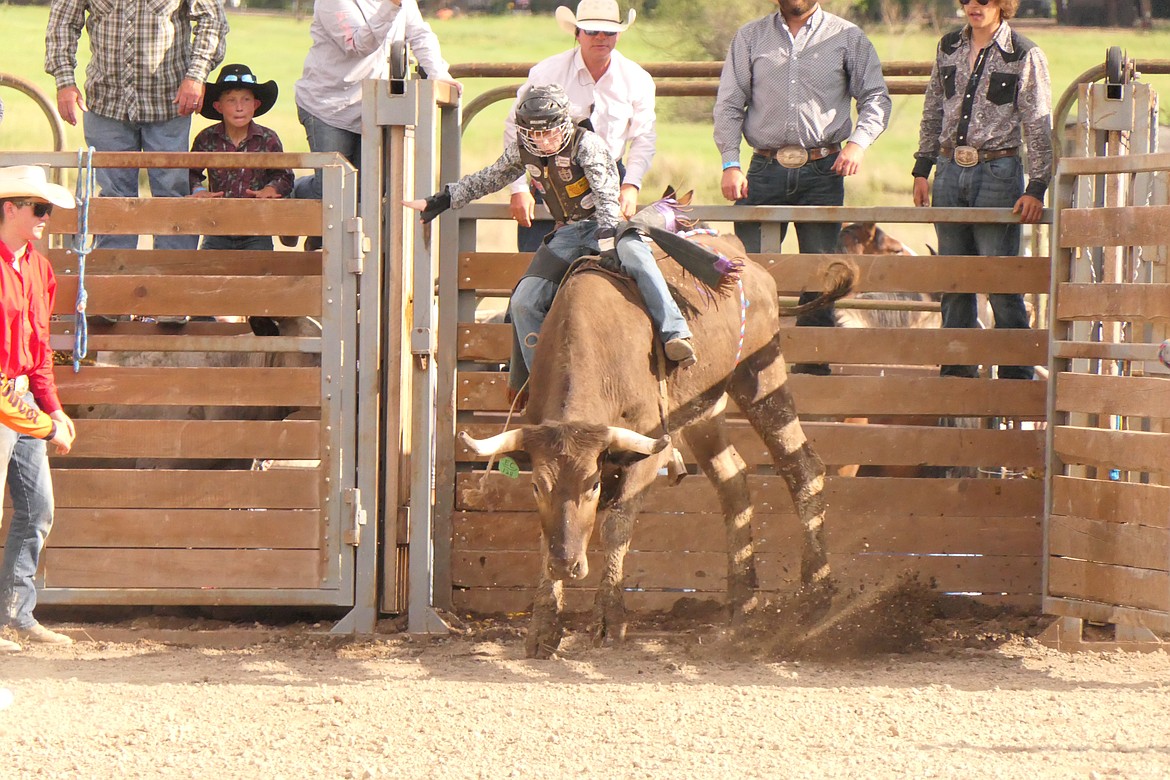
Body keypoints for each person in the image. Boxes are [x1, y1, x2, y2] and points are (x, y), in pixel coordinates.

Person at [405, 84, 695, 371]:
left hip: (607, 227)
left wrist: (608, 241)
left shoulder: (587, 144)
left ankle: (675, 332)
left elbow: (607, 196)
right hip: (567, 233)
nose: (543, 141)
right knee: (523, 301)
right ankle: (539, 378)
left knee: (638, 259)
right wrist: (443, 199)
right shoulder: (522, 152)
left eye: (549, 132)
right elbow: (489, 178)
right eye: (534, 134)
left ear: (564, 123)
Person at [714, 0, 891, 375]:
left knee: (820, 270)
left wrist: (858, 142)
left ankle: (813, 365)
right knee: (755, 269)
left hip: (823, 167)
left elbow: (875, 96)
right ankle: (753, 365)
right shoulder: (750, 37)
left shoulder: (847, 38)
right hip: (763, 167)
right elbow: (730, 103)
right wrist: (731, 162)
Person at [913, 0, 1051, 381]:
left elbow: (1037, 125)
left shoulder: (1023, 54)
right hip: (948, 166)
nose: (974, 6)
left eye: (985, 0)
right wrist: (922, 168)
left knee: (1001, 282)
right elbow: (933, 109)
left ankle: (1015, 381)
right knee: (954, 279)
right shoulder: (948, 47)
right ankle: (958, 378)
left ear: (1003, 5)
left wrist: (1036, 186)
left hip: (998, 169)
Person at [45, 0, 229, 252]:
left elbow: (213, 20)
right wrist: (64, 81)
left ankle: (172, 278)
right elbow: (62, 22)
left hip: (169, 103)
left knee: (173, 194)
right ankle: (113, 278)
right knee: (113, 197)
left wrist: (196, 76)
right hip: (107, 103)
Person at [288, 0, 461, 249]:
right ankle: (297, 197)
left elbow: (420, 34)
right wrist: (391, 6)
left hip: (375, 109)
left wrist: (438, 73)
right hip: (328, 107)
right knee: (333, 190)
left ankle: (336, 248)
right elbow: (358, 44)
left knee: (370, 189)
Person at [0, 166, 78, 651]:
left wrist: (53, 408)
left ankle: (15, 612)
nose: (47, 217)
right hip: (8, 395)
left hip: (20, 393)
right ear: (10, 208)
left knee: (39, 507)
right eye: (39, 208)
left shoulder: (39, 268)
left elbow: (40, 344)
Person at [506, 0, 655, 252]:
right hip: (549, 174)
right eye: (591, 30)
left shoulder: (636, 78)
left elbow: (644, 136)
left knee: (613, 263)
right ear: (577, 33)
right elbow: (515, 126)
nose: (600, 37)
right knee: (539, 265)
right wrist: (519, 188)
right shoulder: (548, 72)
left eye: (608, 31)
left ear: (618, 35)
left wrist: (631, 185)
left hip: (608, 176)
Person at [189, 64, 294, 251]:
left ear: (255, 105)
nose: (239, 108)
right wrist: (198, 190)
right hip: (216, 228)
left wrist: (271, 188)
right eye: (231, 101)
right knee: (210, 276)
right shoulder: (206, 139)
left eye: (246, 100)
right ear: (218, 106)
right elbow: (190, 171)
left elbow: (283, 174)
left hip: (256, 229)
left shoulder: (268, 139)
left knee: (260, 275)